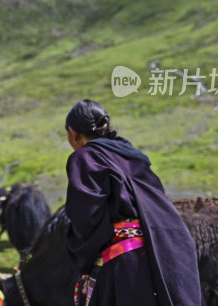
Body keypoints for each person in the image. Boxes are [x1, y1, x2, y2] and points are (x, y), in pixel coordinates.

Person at [63, 99, 203, 306]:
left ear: (73, 133)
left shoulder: (84, 157)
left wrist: (81, 256)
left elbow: (87, 219)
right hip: (165, 256)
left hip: (124, 266)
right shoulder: (135, 159)